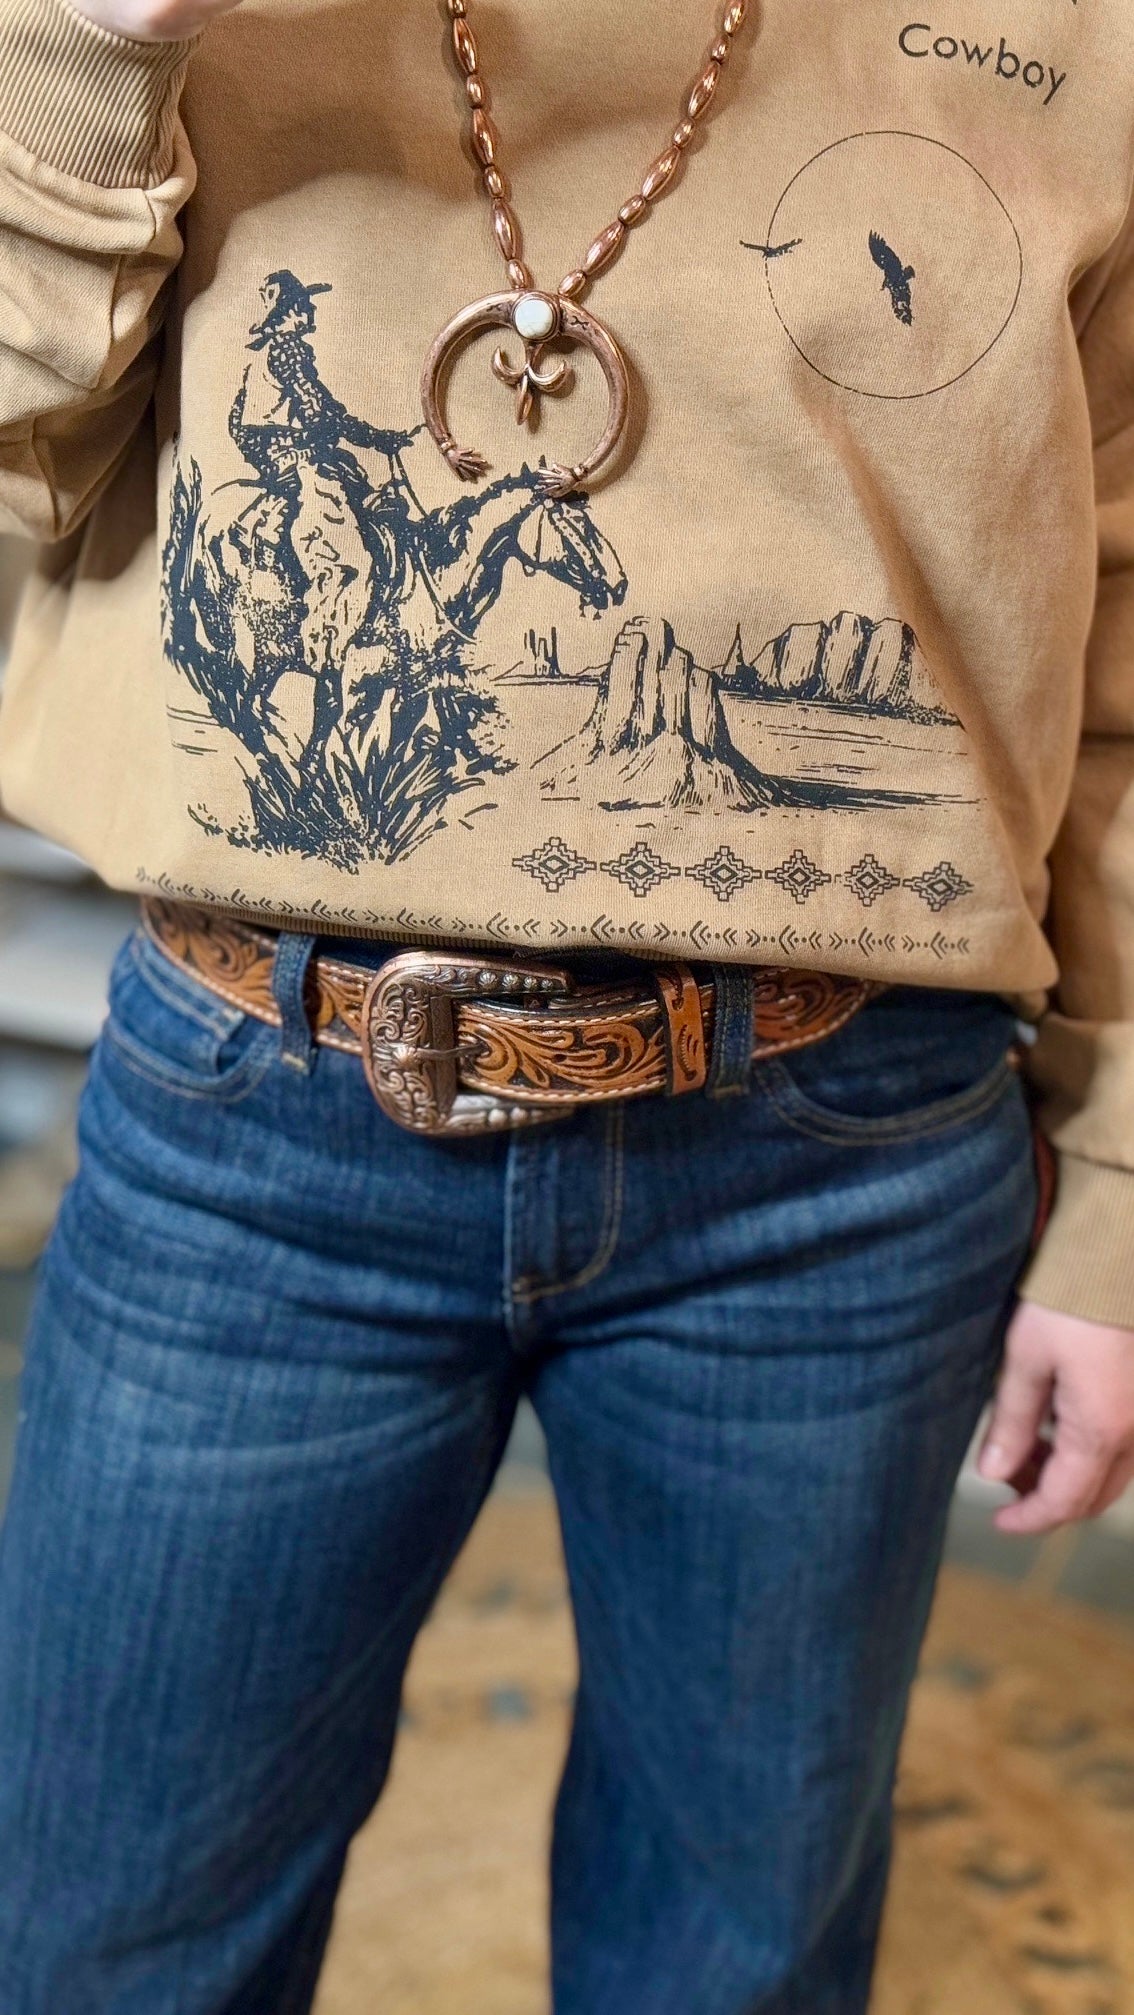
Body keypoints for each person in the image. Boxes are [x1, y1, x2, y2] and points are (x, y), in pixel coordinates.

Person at [0, 0, 1132, 2008]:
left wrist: (1121, 1190)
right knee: (104, 1948)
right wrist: (84, 59)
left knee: (739, 1962)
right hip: (256, 1119)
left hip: (838, 1164)